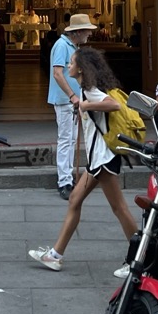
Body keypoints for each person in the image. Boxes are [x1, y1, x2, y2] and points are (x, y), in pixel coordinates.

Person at [29, 47, 138, 274]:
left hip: (103, 160)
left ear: (80, 68)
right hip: (98, 161)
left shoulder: (90, 91)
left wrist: (85, 105)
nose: (68, 66)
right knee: (75, 201)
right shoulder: (89, 88)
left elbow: (113, 104)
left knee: (119, 208)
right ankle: (55, 255)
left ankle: (139, 260)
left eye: (71, 63)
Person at [48, 13, 95, 200]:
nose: (89, 35)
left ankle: (67, 177)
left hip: (73, 101)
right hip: (65, 100)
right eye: (87, 31)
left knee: (72, 139)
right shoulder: (61, 46)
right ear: (78, 32)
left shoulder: (73, 46)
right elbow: (57, 74)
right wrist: (72, 95)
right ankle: (64, 181)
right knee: (66, 139)